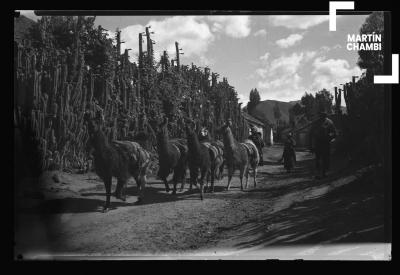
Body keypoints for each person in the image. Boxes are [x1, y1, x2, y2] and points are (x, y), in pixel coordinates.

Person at [311, 111, 337, 179]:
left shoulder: (330, 122)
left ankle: (325, 173)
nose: (321, 118)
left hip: (326, 143)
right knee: (318, 159)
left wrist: (329, 136)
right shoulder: (316, 122)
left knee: (325, 158)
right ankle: (318, 173)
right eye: (320, 116)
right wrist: (311, 145)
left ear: (325, 116)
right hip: (318, 143)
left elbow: (334, 133)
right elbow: (311, 133)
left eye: (323, 116)